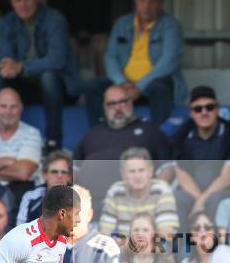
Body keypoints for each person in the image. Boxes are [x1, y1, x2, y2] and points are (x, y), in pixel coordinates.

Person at [0, 0, 84, 151]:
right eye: (17, 0)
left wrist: (21, 67)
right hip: (28, 88)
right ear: (11, 2)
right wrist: (10, 66)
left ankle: (53, 141)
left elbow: (57, 60)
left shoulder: (55, 19)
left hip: (60, 89)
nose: (23, 5)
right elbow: (6, 59)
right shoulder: (7, 22)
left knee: (48, 75)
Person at [85, 0, 186, 126]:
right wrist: (121, 83)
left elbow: (169, 61)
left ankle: (158, 137)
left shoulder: (171, 25)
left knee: (161, 86)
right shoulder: (122, 23)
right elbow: (110, 56)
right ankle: (100, 134)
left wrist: (139, 86)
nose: (146, 6)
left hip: (152, 84)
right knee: (93, 86)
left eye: (153, 1)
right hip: (124, 85)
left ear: (161, 2)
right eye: (142, 0)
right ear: (135, 1)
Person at [72, 85, 174, 218]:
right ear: (104, 107)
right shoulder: (92, 134)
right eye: (112, 104)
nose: (118, 107)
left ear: (131, 102)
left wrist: (152, 197)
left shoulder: (150, 130)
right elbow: (74, 169)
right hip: (89, 205)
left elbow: (167, 167)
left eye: (122, 102)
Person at [173, 86, 230, 220]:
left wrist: (201, 202)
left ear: (217, 110)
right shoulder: (182, 135)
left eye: (209, 107)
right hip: (193, 192)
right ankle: (181, 241)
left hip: (223, 192)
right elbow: (182, 175)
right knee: (177, 197)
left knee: (216, 198)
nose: (204, 112)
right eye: (198, 109)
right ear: (191, 113)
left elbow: (227, 179)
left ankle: (217, 241)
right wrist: (199, 201)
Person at [98, 147, 179, 241]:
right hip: (124, 251)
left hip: (155, 249)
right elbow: (105, 232)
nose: (137, 176)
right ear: (123, 175)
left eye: (141, 170)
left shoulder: (161, 190)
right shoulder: (115, 191)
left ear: (150, 171)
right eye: (132, 171)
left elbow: (166, 234)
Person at [16, 150, 73, 225]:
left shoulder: (79, 196)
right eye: (54, 172)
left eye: (64, 172)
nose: (59, 176)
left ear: (69, 177)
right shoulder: (31, 196)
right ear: (44, 174)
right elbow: (20, 228)